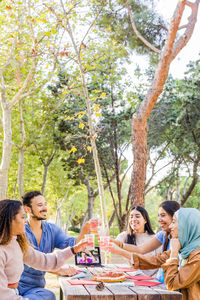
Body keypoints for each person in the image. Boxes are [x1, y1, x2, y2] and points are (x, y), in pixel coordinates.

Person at [0, 199, 87, 300]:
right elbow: (3, 295)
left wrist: (74, 250)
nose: (25, 221)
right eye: (23, 217)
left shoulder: (17, 243)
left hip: (16, 292)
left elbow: (44, 261)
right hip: (7, 296)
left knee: (48, 295)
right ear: (9, 220)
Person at [112, 207, 200, 300]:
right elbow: (154, 260)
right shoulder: (183, 249)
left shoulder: (196, 257)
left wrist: (173, 254)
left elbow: (172, 284)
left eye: (174, 222)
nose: (170, 226)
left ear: (187, 226)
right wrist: (118, 249)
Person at [113, 200, 180, 282]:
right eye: (158, 216)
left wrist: (119, 250)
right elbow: (141, 249)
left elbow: (156, 261)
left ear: (175, 217)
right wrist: (116, 244)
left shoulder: (181, 240)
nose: (159, 220)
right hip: (161, 281)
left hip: (169, 283)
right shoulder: (163, 234)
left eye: (163, 215)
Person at [115, 206, 161, 276]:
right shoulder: (123, 236)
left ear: (145, 220)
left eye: (137, 216)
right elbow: (113, 246)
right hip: (128, 278)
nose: (133, 219)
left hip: (151, 280)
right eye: (131, 217)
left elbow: (160, 263)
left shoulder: (154, 238)